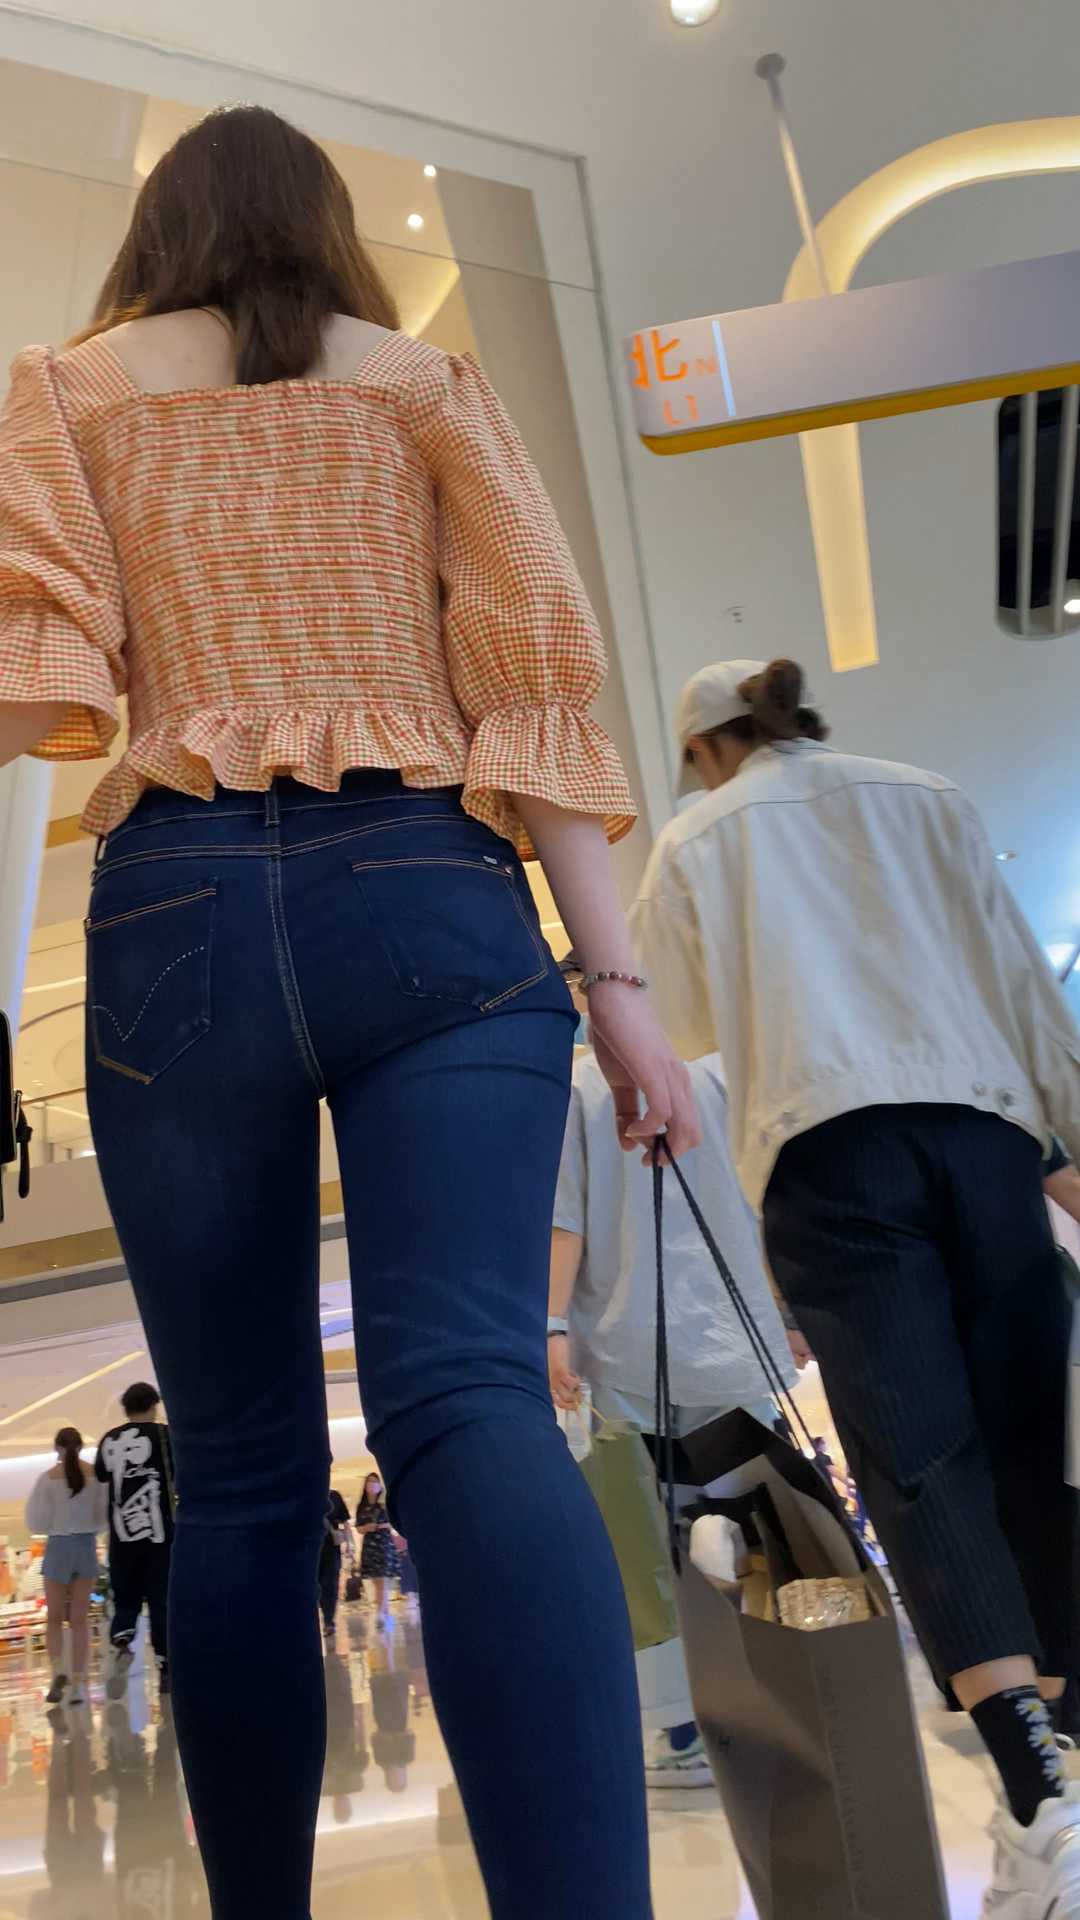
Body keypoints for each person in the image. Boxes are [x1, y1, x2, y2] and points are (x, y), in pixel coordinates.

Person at [0, 103, 698, 1920]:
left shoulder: (63, 395)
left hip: (175, 913)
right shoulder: (426, 385)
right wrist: (619, 991)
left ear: (157, 232)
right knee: (474, 1401)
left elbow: (26, 690)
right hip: (431, 885)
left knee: (239, 1471)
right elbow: (532, 689)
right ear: (329, 226)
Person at [633, 655, 1080, 1916]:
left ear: (704, 748)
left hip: (831, 1153)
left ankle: (1039, 1793)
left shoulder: (698, 840)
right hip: (990, 1137)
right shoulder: (929, 794)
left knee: (920, 1456)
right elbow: (1025, 992)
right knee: (1031, 1444)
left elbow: (684, 1023)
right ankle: (1050, 1775)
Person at [550, 983, 795, 1788]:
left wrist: (549, 1327)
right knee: (746, 1534)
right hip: (732, 1349)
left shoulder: (577, 1084)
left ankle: (683, 1732)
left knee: (646, 1550)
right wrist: (791, 1312)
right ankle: (768, 1708)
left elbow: (564, 1217)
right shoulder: (726, 1073)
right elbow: (769, 1203)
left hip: (622, 1357)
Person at [95, 1381, 175, 1699]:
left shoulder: (109, 1440)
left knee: (126, 1597)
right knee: (160, 1598)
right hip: (160, 1535)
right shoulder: (165, 1436)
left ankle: (122, 1640)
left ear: (126, 1409)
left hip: (122, 1537)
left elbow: (102, 1475)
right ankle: (165, 1666)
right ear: (154, 1406)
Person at [25, 1428, 107, 1709]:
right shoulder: (95, 1477)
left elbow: (36, 1521)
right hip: (85, 1547)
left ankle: (57, 1672)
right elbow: (102, 1516)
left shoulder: (47, 1479)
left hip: (58, 1546)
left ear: (56, 1447)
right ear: (81, 1447)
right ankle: (78, 1685)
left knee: (54, 1619)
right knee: (80, 1621)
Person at [355, 1473, 397, 1633]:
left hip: (384, 1545)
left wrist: (379, 1526)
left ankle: (381, 1615)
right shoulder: (361, 1506)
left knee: (382, 1582)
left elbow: (392, 1523)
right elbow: (358, 1528)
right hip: (369, 1547)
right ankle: (384, 1614)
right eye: (370, 1482)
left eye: (375, 1482)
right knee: (376, 1582)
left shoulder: (384, 1504)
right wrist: (366, 1528)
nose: (372, 1485)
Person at [319, 1484, 351, 1644]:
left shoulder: (334, 1496)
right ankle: (324, 1617)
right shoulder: (307, 1492)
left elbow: (345, 1522)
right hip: (312, 1547)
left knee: (330, 1583)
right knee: (316, 1584)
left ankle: (328, 1621)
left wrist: (349, 1544)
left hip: (331, 1546)